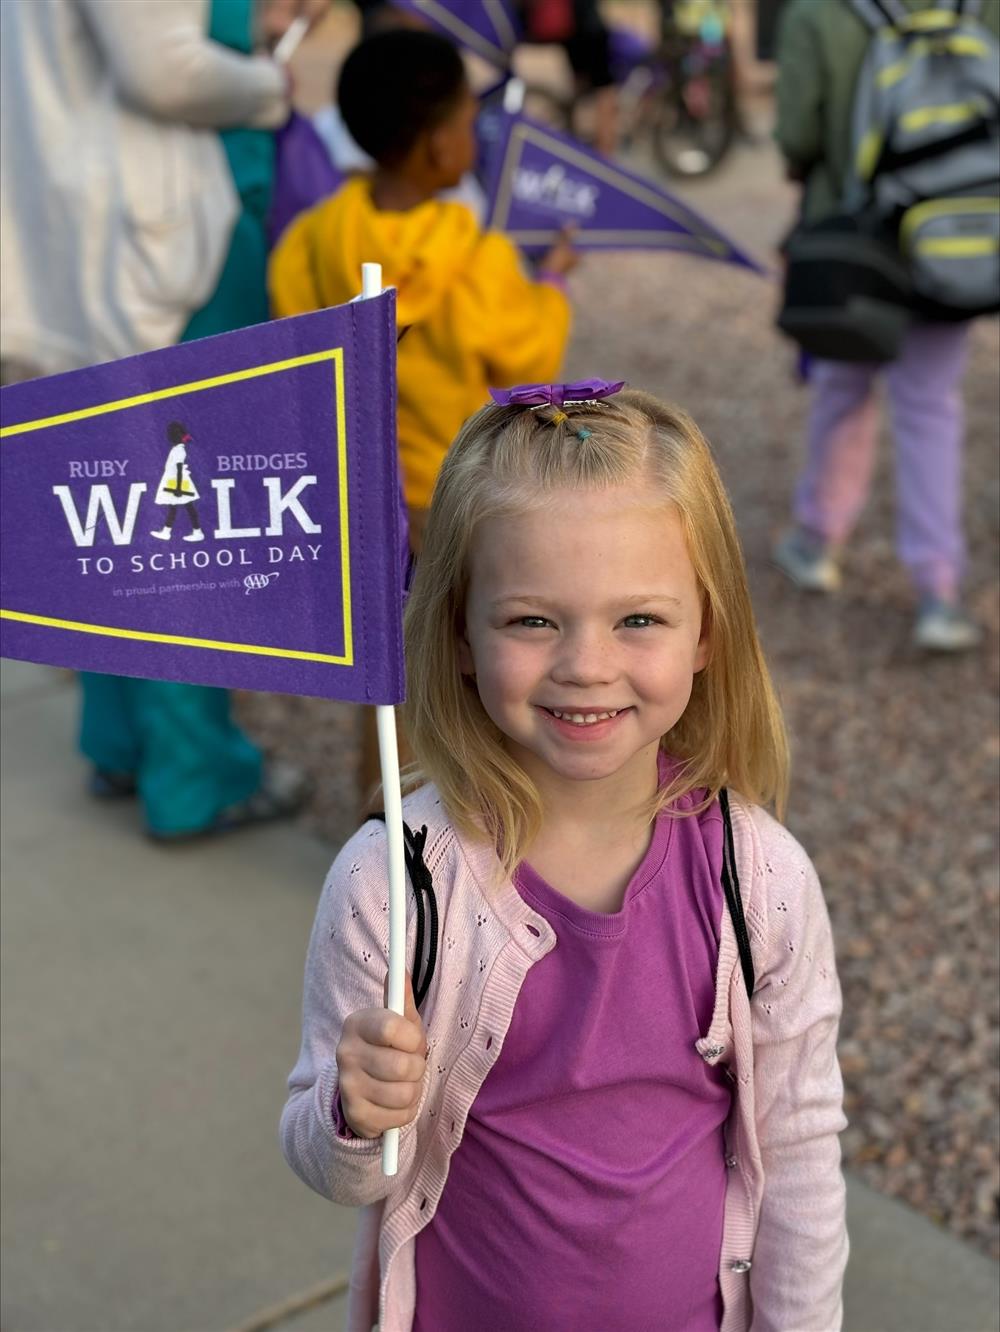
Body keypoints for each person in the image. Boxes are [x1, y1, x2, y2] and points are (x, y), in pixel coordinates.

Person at [280, 383, 849, 1331]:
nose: (586, 664)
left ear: (707, 629)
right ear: (459, 631)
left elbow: (796, 1151)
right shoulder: (396, 886)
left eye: (639, 620)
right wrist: (355, 1113)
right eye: (533, 621)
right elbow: (338, 1171)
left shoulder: (762, 883)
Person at [0, 0, 312, 837]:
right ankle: (194, 775)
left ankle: (122, 743)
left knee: (106, 500)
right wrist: (269, 84)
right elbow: (164, 69)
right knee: (182, 519)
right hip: (157, 242)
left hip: (80, 227)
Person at [269, 26, 576, 802]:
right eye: (468, 127)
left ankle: (379, 821)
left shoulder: (314, 239)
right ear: (440, 146)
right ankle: (468, 824)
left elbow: (293, 351)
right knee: (469, 659)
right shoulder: (474, 254)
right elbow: (526, 356)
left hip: (357, 494)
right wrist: (558, 284)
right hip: (453, 495)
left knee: (382, 667)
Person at [771, 0, 999, 653]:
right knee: (929, 405)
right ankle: (938, 588)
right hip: (950, 239)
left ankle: (818, 539)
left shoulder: (815, 13)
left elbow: (798, 137)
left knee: (844, 385)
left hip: (853, 240)